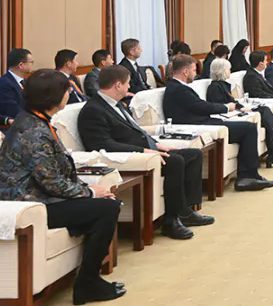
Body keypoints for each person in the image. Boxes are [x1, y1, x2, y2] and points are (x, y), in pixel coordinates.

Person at [0, 69, 125, 305]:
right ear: (52, 96)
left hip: (40, 196)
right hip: (26, 205)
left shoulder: (36, 121)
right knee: (106, 209)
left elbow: (56, 172)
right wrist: (90, 192)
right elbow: (51, 181)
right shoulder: (32, 131)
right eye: (66, 89)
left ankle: (88, 279)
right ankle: (87, 285)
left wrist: (88, 191)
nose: (69, 92)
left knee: (105, 204)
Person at [77, 65, 214, 240]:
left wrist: (157, 145)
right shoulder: (93, 110)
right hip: (131, 157)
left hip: (146, 150)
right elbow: (103, 144)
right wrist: (144, 151)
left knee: (193, 154)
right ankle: (171, 221)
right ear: (118, 85)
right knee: (175, 162)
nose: (129, 87)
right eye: (127, 83)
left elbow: (137, 131)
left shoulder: (117, 104)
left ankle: (186, 211)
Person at [162, 54, 273, 192]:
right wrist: (225, 107)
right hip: (197, 126)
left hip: (202, 122)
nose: (196, 74)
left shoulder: (177, 87)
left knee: (247, 128)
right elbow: (201, 106)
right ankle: (247, 177)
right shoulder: (179, 89)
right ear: (185, 71)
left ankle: (249, 175)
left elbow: (198, 106)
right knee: (248, 128)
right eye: (194, 70)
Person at [207, 58, 273, 166]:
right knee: (264, 114)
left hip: (236, 110)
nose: (230, 71)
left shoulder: (223, 84)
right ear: (222, 71)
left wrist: (242, 107)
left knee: (264, 110)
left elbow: (232, 101)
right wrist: (239, 108)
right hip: (229, 115)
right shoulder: (215, 87)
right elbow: (221, 105)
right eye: (228, 69)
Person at [0, 48, 34, 119]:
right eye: (31, 62)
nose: (32, 64)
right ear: (21, 65)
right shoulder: (3, 84)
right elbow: (13, 111)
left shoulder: (25, 82)